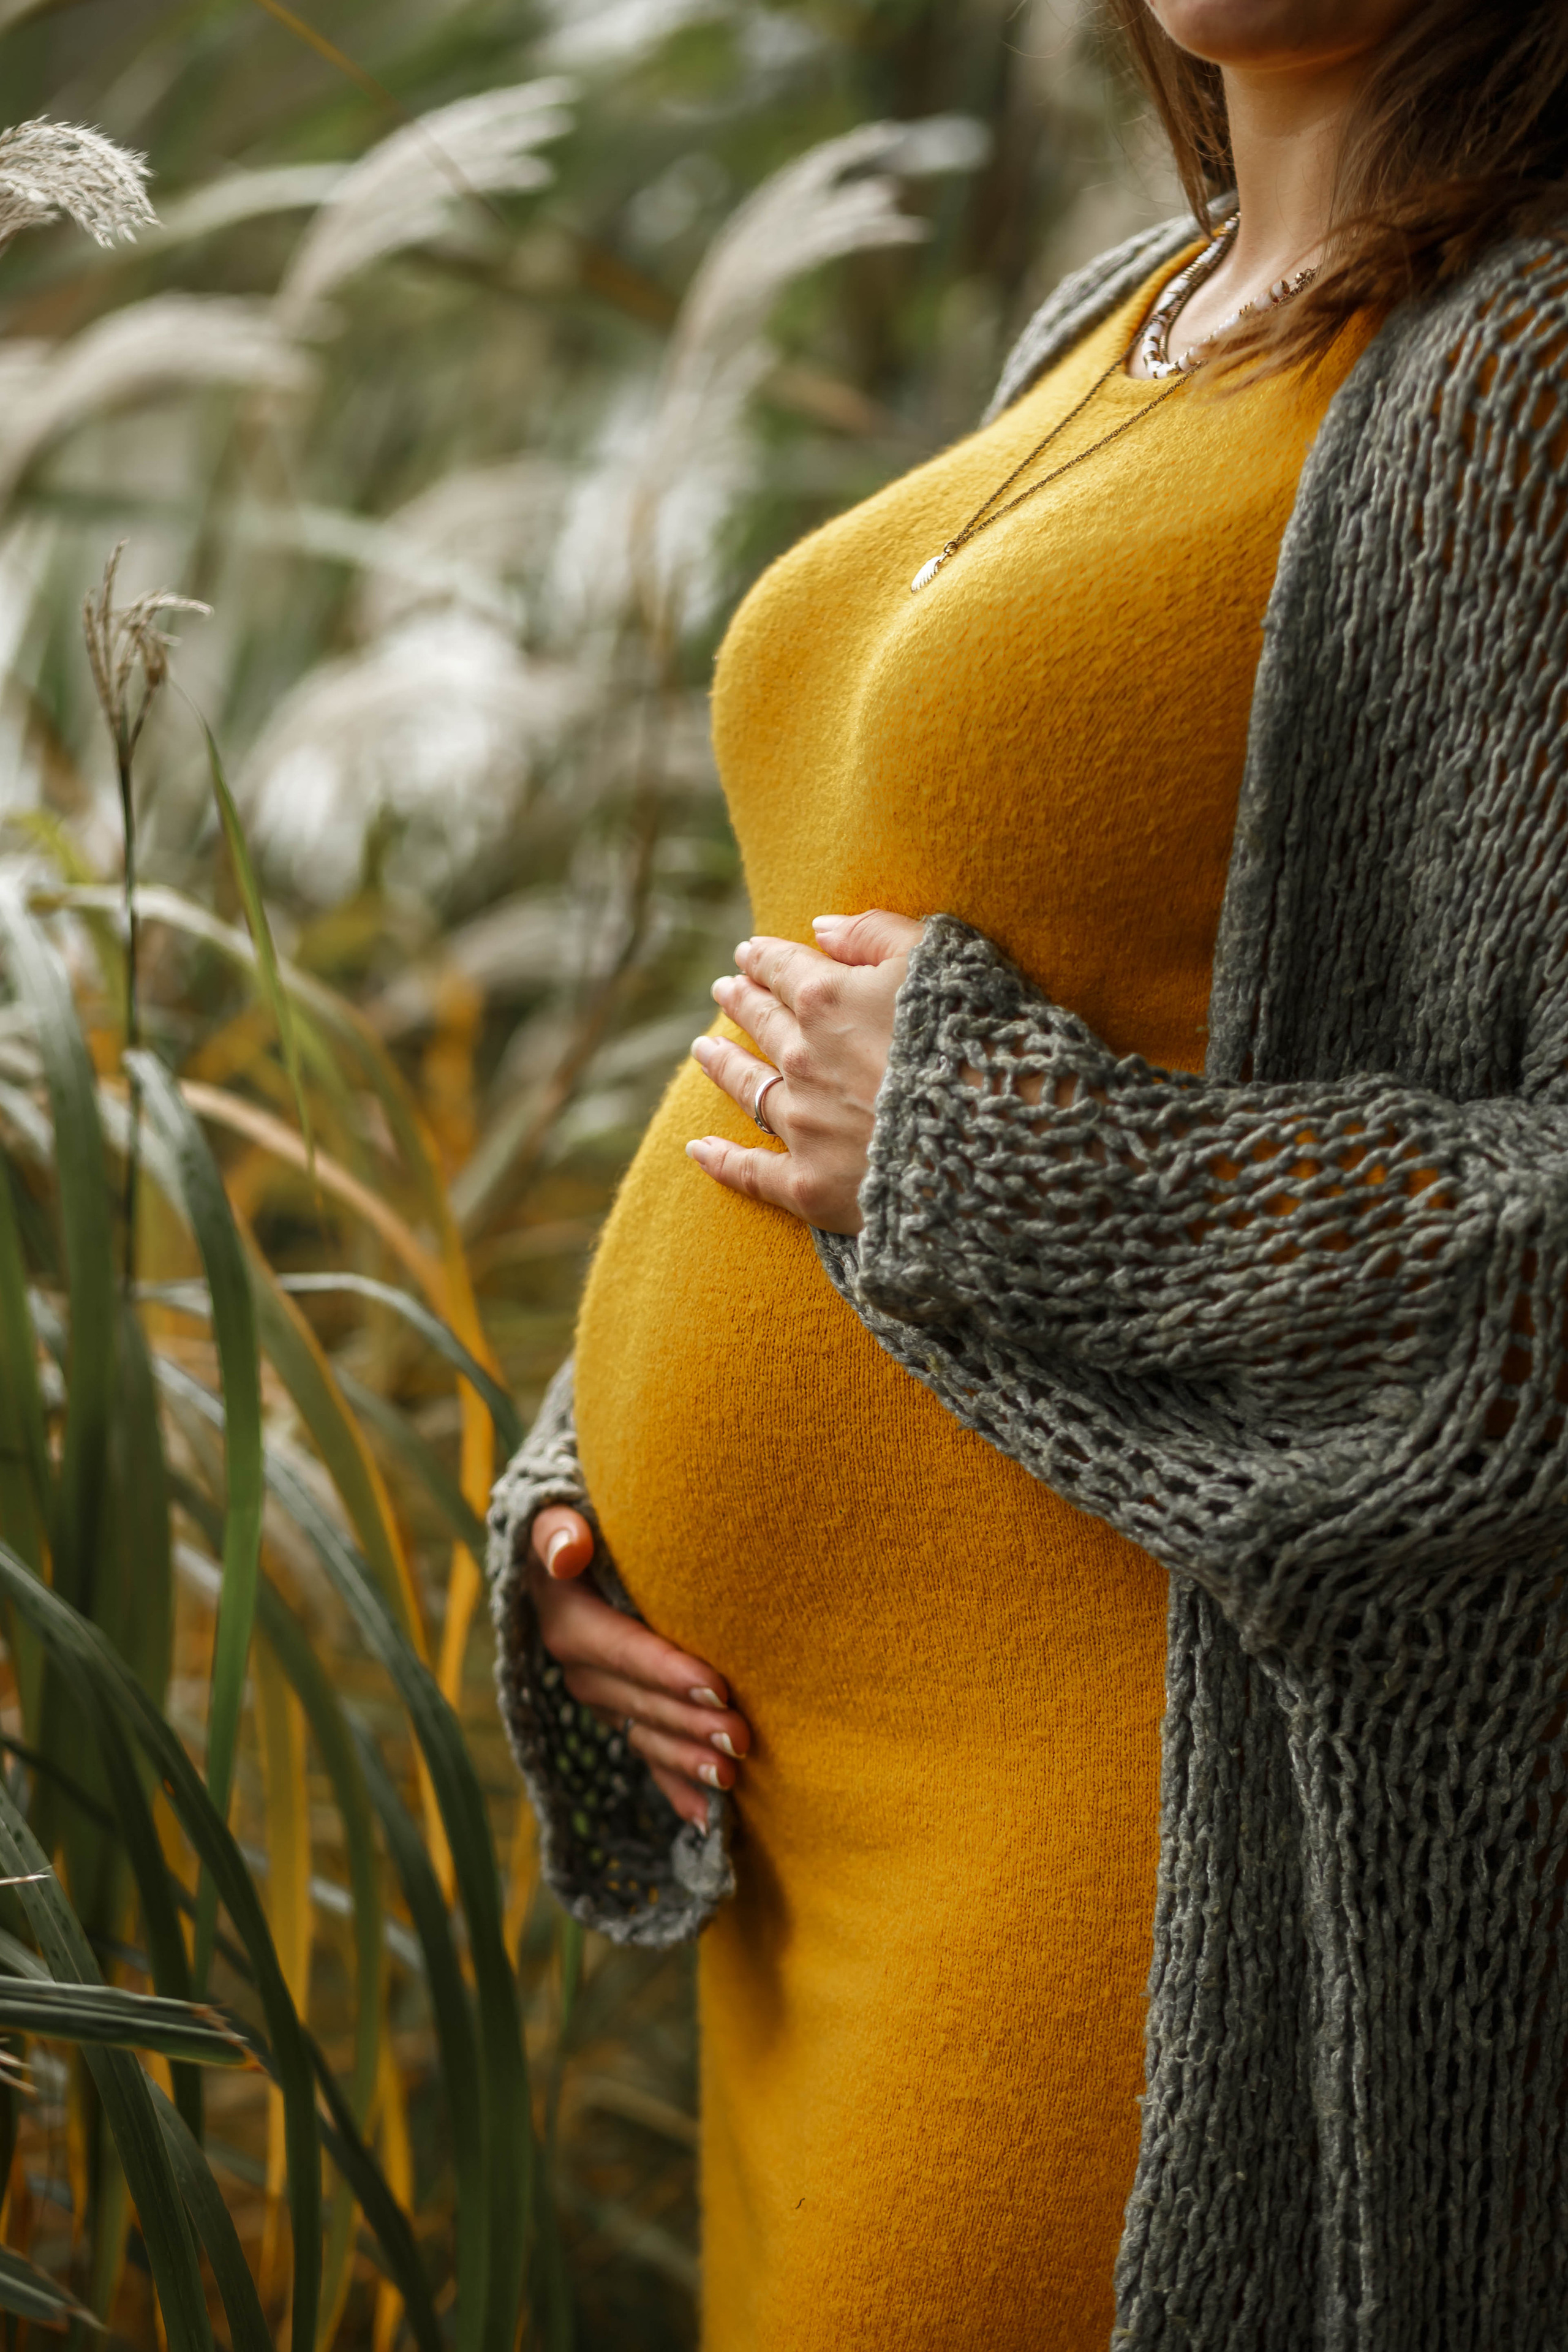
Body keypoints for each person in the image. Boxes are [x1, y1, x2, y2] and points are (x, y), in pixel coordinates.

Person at [486, 1, 1568, 2344]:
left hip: (1117, 1833)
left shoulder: (1531, 378)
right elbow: (824, 967)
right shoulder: (1126, 308)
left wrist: (995, 1152)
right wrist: (582, 1494)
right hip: (795, 1822)